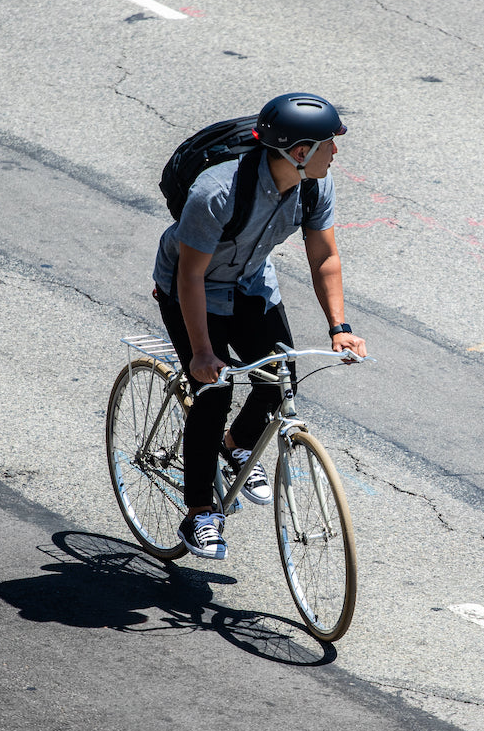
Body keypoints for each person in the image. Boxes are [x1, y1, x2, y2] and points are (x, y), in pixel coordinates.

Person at [151, 93, 368, 560]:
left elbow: (324, 257)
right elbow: (190, 275)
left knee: (279, 379)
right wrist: (203, 353)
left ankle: (234, 448)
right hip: (193, 286)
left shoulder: (313, 185)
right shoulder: (218, 191)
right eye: (329, 143)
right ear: (299, 152)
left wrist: (340, 326)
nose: (337, 151)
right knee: (214, 392)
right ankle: (199, 513)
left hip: (250, 283)